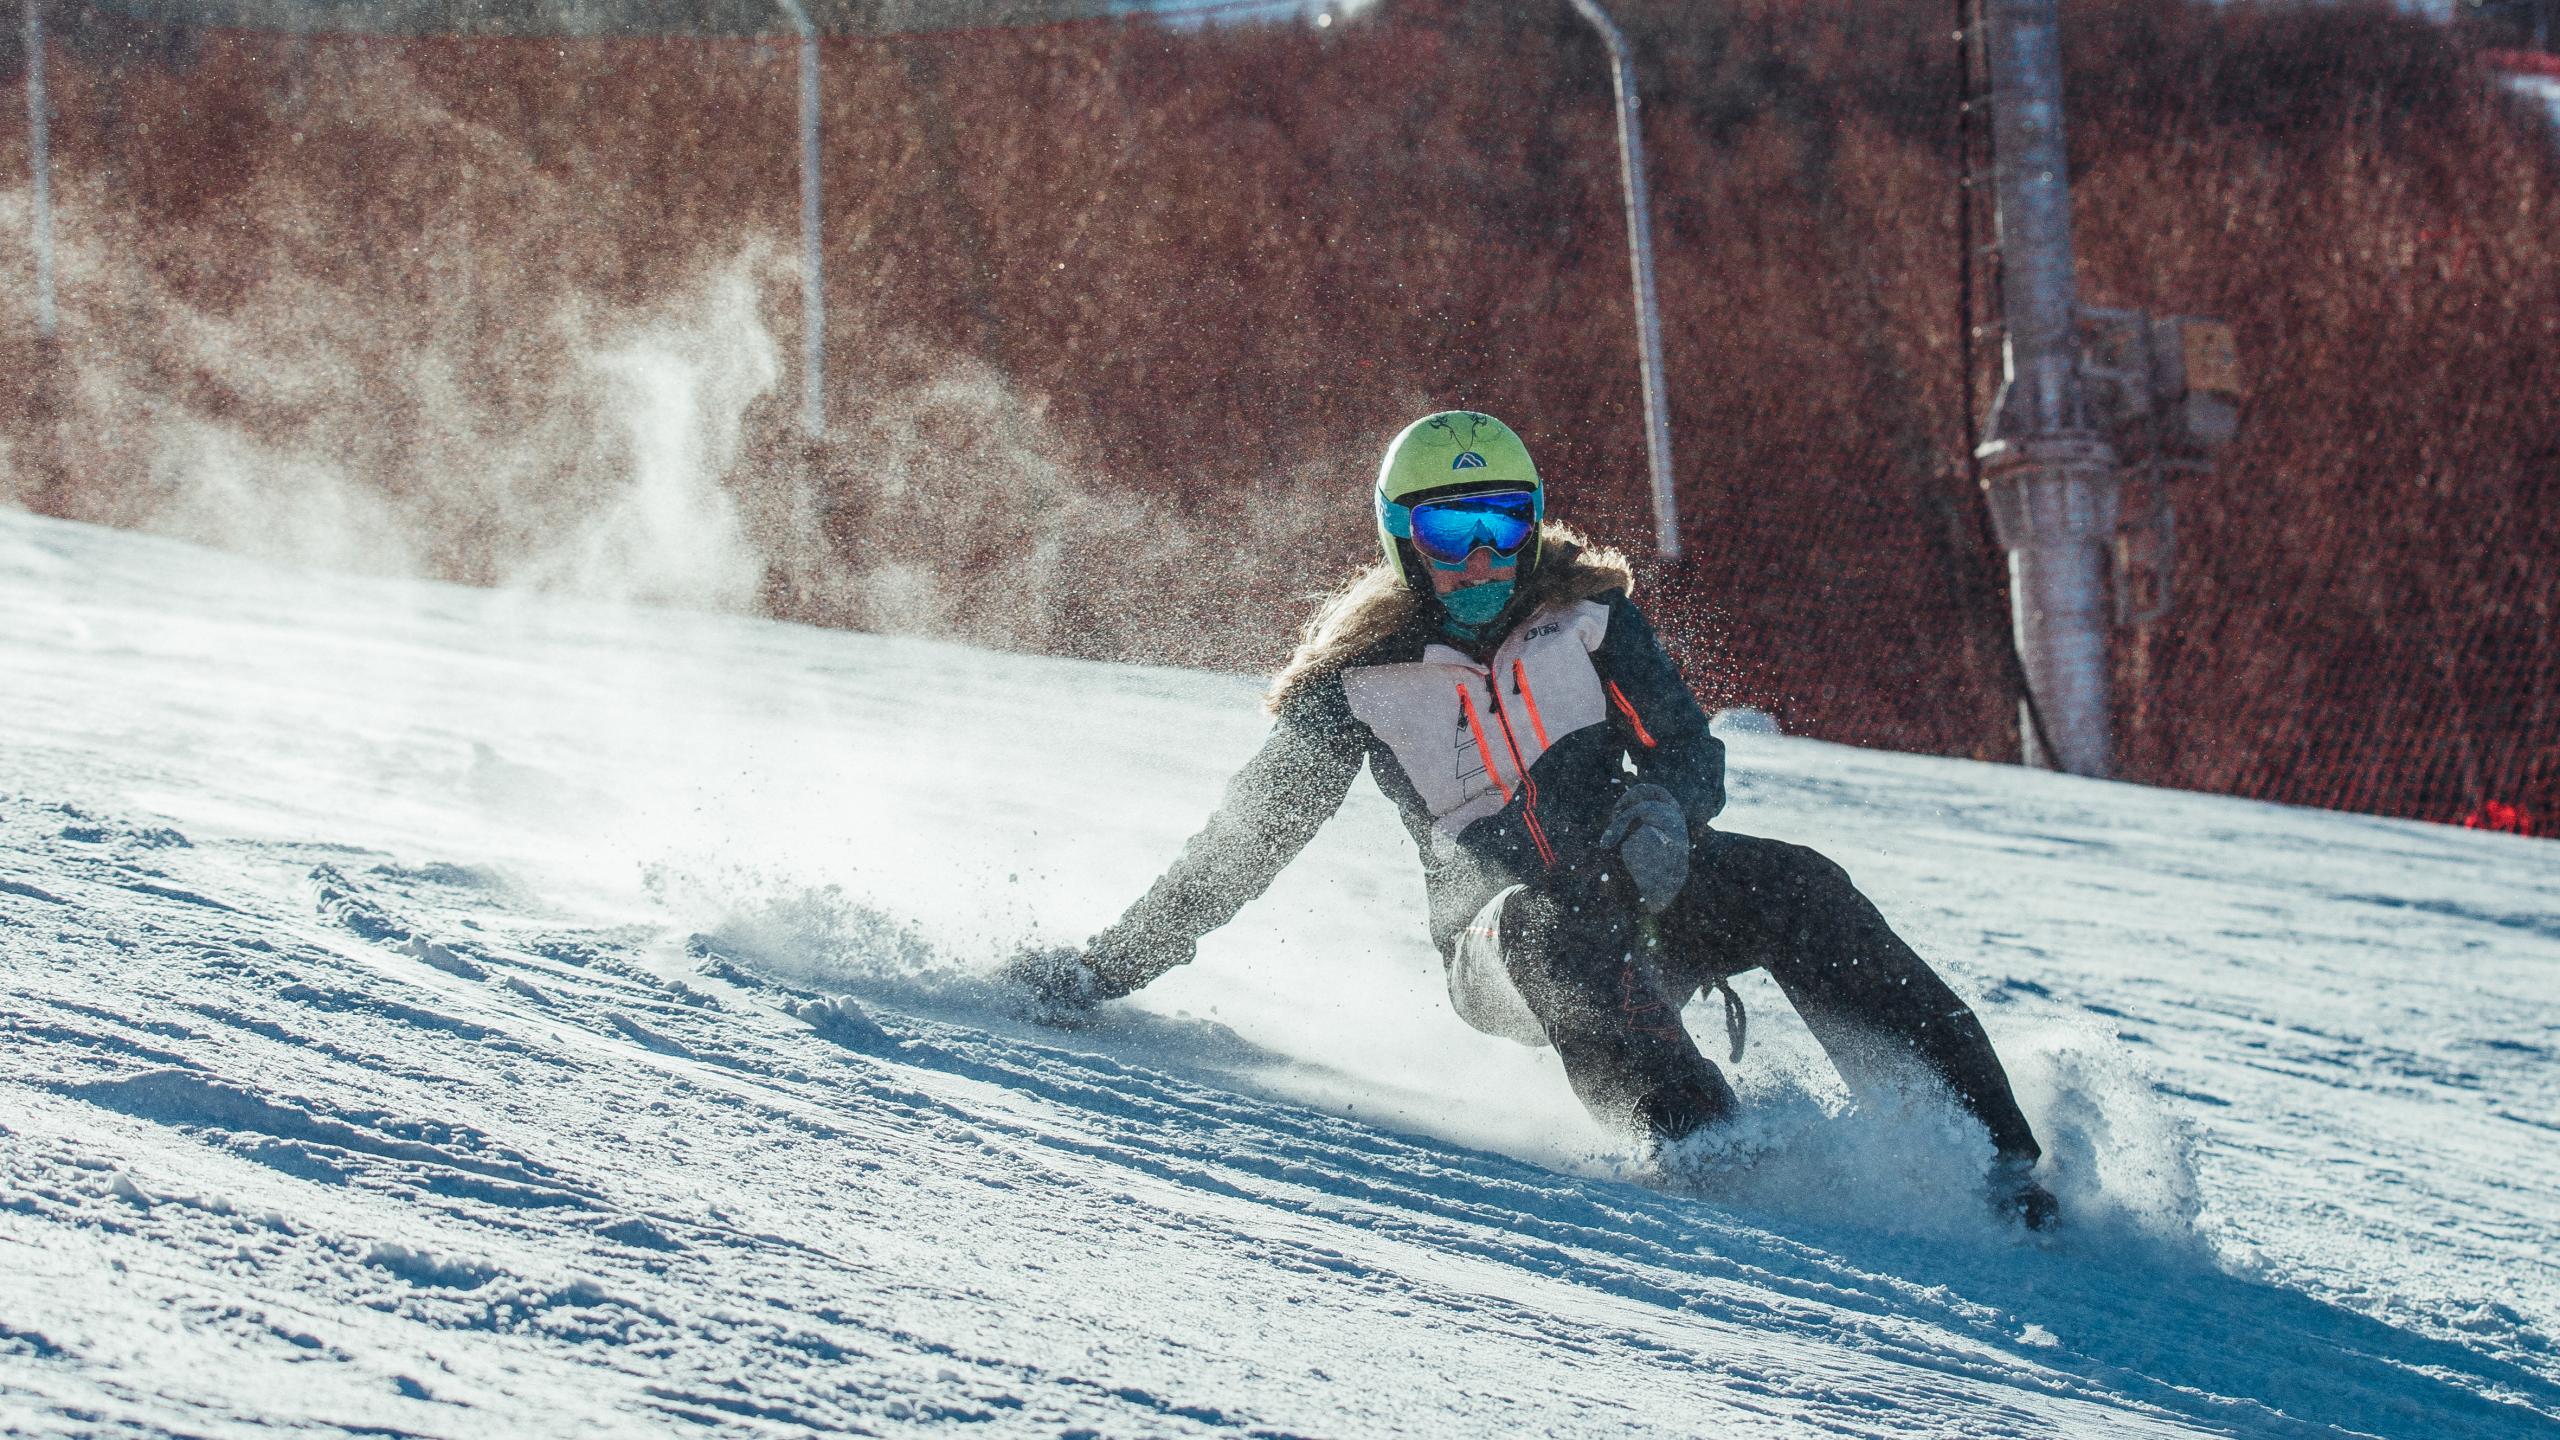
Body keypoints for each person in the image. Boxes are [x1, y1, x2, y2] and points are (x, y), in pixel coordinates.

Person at [1009, 411, 2057, 1228]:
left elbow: (1689, 752)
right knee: (1538, 924)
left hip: (1635, 896)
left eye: (1503, 528)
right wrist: (1108, 967)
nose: (1481, 559)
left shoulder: (1588, 623)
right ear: (1401, 543)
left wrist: (1663, 815)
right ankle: (1705, 1147)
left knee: (1798, 881)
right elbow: (1240, 848)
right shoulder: (1360, 685)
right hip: (1498, 946)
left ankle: (1984, 1156)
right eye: (1448, 535)